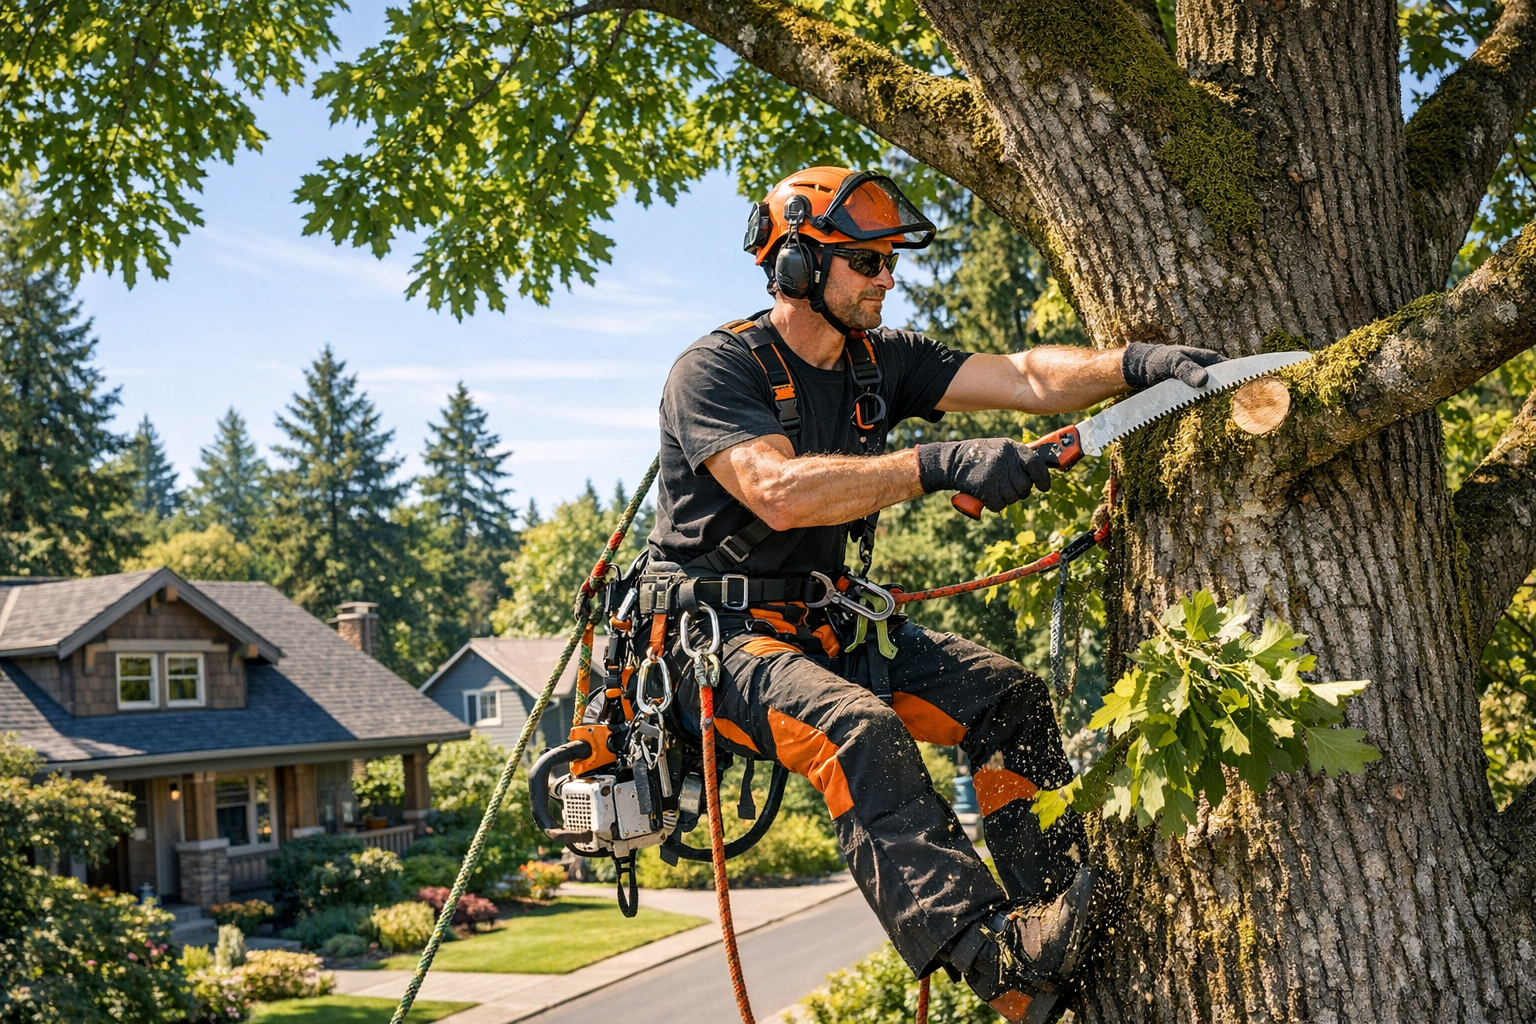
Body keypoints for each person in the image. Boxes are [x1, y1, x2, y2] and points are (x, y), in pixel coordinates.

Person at [641, 166, 1222, 1023]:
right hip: (711, 641)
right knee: (856, 728)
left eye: (887, 262)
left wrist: (1136, 366)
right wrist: (938, 463)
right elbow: (778, 490)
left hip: (819, 622)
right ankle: (999, 966)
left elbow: (1026, 378)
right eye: (867, 264)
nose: (888, 278)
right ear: (798, 268)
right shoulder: (716, 371)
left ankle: (1060, 915)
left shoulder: (880, 364)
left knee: (1007, 698)